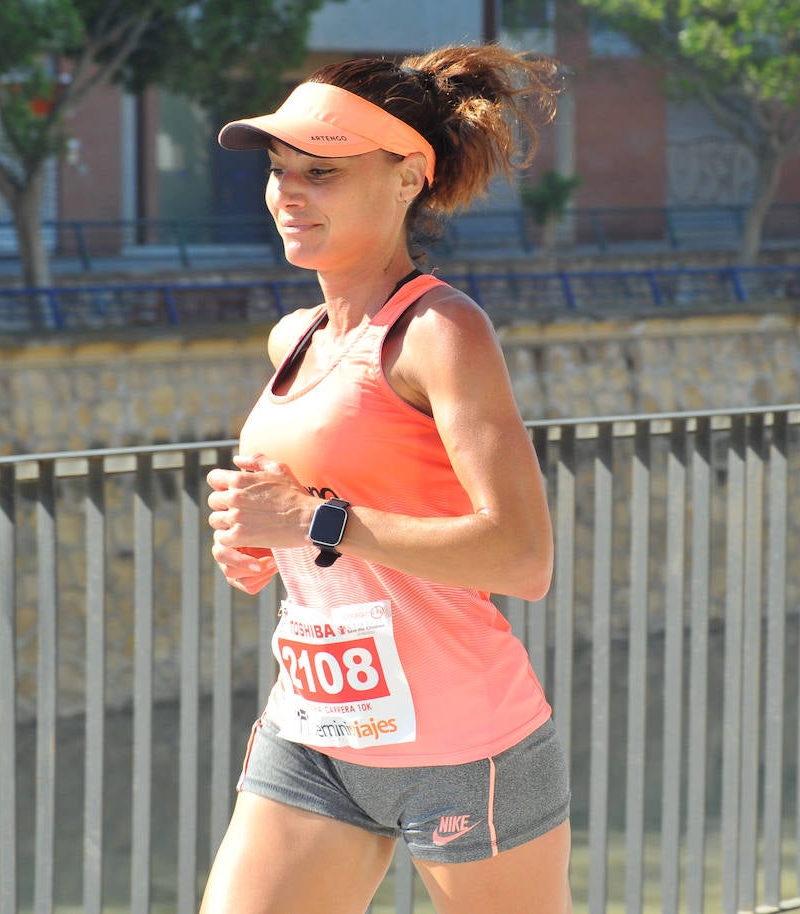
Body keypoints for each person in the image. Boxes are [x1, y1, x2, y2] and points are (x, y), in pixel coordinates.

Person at [201, 45, 571, 914]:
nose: (287, 193)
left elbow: (522, 557)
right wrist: (260, 540)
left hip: (463, 751)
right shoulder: (293, 336)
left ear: (406, 177)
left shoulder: (441, 331)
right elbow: (310, 517)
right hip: (315, 735)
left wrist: (314, 522)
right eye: (280, 170)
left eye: (320, 173)